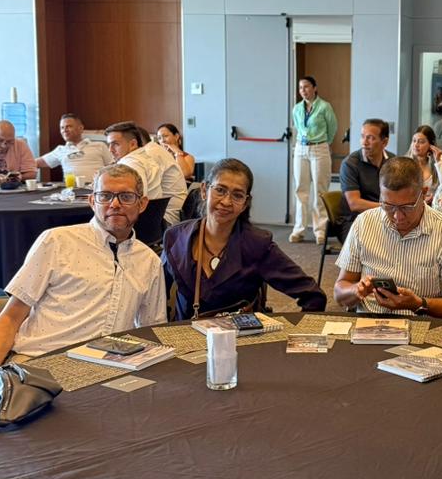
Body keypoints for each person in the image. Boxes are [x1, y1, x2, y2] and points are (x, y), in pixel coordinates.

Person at [0, 163, 166, 365]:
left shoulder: (149, 261)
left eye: (126, 197)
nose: (115, 204)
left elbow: (151, 332)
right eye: (105, 196)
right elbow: (11, 316)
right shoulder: (57, 241)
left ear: (143, 204)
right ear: (92, 201)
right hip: (39, 361)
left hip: (108, 368)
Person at [162, 157, 325, 319]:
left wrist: (291, 339)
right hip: (186, 340)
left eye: (237, 195)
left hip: (238, 341)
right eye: (220, 190)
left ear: (245, 203)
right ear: (204, 190)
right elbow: (157, 296)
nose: (226, 201)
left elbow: (313, 296)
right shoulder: (175, 237)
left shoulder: (257, 245)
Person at [334, 156, 442, 320]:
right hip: (370, 323)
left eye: (407, 207)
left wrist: (419, 304)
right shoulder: (364, 223)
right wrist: (356, 290)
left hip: (423, 327)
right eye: (388, 206)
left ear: (423, 193)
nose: (397, 216)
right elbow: (339, 293)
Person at [290, 75, 338, 245]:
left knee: (320, 190)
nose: (303, 90)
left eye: (307, 87)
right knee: (300, 189)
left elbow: (332, 128)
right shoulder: (297, 109)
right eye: (301, 88)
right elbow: (297, 127)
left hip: (319, 147)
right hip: (301, 148)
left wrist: (323, 142)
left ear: (315, 88)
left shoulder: (325, 107)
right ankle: (299, 229)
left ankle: (320, 230)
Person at [338, 118, 392, 239]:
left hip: (384, 217)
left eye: (370, 138)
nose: (364, 142)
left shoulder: (393, 161)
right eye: (363, 136)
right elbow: (354, 203)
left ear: (384, 142)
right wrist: (388, 207)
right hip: (354, 221)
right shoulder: (350, 164)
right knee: (380, 243)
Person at [35, 112, 111, 181]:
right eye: (62, 127)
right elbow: (34, 163)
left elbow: (113, 166)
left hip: (97, 189)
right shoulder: (60, 150)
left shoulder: (99, 145)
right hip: (71, 191)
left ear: (80, 128)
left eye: (68, 126)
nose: (65, 130)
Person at [406, 123, 442, 199]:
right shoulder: (405, 162)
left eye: (421, 142)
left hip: (434, 205)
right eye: (414, 141)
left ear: (431, 145)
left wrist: (438, 162)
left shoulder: (440, 160)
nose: (416, 145)